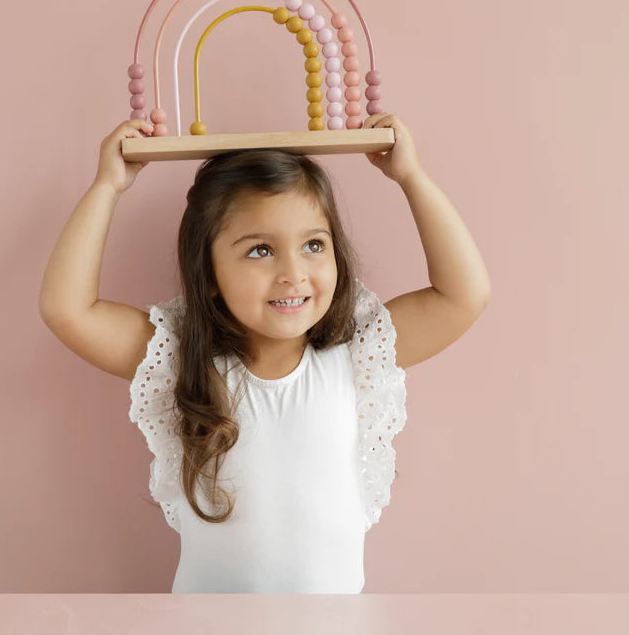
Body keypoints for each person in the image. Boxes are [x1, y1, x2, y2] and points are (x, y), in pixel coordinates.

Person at [39, 114, 491, 593]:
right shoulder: (182, 361)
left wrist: (411, 177)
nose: (293, 273)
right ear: (209, 273)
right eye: (260, 251)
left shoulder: (356, 357)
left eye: (314, 245)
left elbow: (464, 295)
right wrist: (107, 186)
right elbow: (68, 310)